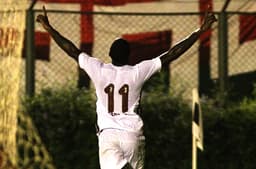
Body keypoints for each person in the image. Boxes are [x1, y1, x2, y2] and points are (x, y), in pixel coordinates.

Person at [36, 6, 217, 169]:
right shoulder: (137, 72)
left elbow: (72, 50)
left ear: (109, 54)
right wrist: (200, 30)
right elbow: (172, 53)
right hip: (133, 136)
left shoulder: (98, 69)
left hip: (108, 137)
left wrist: (49, 28)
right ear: (130, 55)